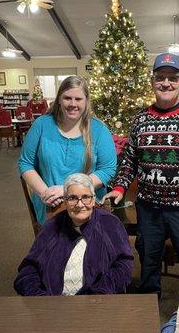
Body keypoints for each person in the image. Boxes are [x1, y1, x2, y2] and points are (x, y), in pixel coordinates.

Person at [101, 53, 179, 296]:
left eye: (172, 78)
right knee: (148, 260)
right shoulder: (140, 120)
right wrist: (119, 188)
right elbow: (129, 160)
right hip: (148, 209)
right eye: (160, 77)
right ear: (153, 81)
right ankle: (148, 305)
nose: (166, 83)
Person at [19, 75, 117, 225]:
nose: (72, 104)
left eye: (78, 99)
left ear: (86, 101)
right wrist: (45, 192)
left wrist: (67, 190)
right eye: (67, 98)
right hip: (51, 203)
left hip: (87, 205)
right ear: (59, 99)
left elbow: (107, 169)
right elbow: (25, 163)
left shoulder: (99, 129)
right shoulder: (41, 125)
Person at [14, 173, 133, 296]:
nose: (80, 204)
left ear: (93, 200)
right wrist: (40, 298)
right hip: (52, 304)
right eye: (73, 198)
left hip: (97, 303)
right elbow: (28, 269)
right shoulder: (51, 226)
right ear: (65, 201)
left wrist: (99, 295)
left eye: (86, 197)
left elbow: (123, 266)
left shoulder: (110, 224)